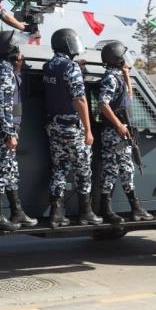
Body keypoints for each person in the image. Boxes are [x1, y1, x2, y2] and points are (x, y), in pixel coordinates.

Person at [43, 28, 102, 228]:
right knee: (83, 170)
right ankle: (86, 213)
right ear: (68, 44)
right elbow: (80, 99)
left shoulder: (49, 66)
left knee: (59, 169)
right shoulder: (71, 67)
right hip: (72, 128)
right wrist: (88, 130)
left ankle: (56, 213)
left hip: (54, 126)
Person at [0, 30, 38, 231]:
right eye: (17, 48)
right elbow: (3, 104)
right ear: (10, 50)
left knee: (10, 171)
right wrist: (9, 133)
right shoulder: (4, 72)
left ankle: (17, 212)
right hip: (3, 131)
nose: (20, 52)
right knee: (1, 171)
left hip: (0, 128)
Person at [98, 41, 153, 223]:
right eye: (124, 57)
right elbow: (103, 103)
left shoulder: (118, 77)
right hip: (115, 133)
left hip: (120, 132)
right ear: (117, 59)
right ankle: (122, 209)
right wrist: (118, 125)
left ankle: (127, 209)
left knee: (120, 170)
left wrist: (127, 75)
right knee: (117, 170)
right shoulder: (110, 78)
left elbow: (128, 98)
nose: (127, 60)